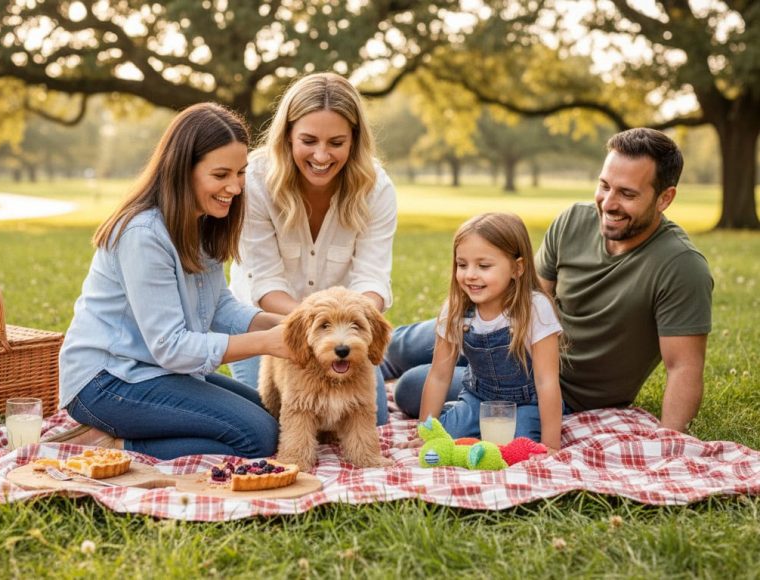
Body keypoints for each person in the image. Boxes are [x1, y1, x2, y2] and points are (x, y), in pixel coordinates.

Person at [387, 128, 713, 434]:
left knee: (412, 387)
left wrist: (670, 443)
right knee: (401, 345)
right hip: (512, 343)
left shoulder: (680, 266)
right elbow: (529, 297)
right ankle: (360, 363)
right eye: (604, 186)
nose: (609, 203)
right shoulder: (574, 220)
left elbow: (683, 367)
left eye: (627, 193)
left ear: (664, 198)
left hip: (557, 386)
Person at [50, 103, 290, 460]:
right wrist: (266, 342)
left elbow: (219, 306)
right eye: (221, 174)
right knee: (258, 439)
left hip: (156, 373)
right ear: (183, 170)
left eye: (240, 173)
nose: (236, 187)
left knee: (276, 417)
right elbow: (171, 346)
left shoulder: (201, 223)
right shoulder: (142, 233)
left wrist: (291, 325)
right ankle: (111, 443)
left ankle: (139, 431)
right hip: (106, 382)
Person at [228, 72, 398, 425]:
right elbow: (265, 284)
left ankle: (389, 348)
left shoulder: (376, 187)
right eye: (308, 140)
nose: (321, 155)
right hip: (266, 327)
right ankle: (403, 348)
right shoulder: (255, 181)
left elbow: (372, 277)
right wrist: (314, 329)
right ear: (288, 134)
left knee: (371, 419)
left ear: (354, 140)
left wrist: (347, 331)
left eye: (336, 142)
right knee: (271, 423)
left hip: (346, 330)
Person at [411, 213, 563, 451]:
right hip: (477, 399)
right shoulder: (456, 309)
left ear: (517, 268)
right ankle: (462, 417)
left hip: (525, 404)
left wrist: (551, 445)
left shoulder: (534, 308)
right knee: (443, 439)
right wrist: (426, 431)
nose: (470, 274)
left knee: (516, 446)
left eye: (483, 266)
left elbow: (547, 381)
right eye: (462, 265)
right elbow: (440, 375)